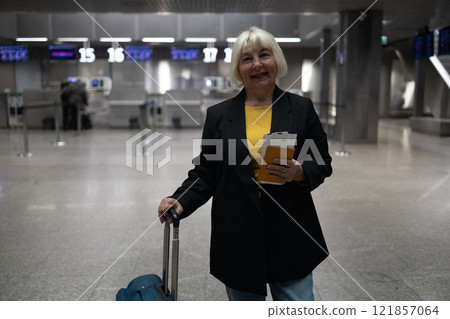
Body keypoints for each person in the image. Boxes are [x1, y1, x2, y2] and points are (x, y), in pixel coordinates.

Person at [158, 26, 332, 301]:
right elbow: (207, 171)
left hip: (290, 231)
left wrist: (299, 172)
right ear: (238, 70)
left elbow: (322, 162)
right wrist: (181, 200)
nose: (257, 64)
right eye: (247, 58)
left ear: (277, 61)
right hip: (238, 233)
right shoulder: (219, 115)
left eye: (264, 55)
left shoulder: (301, 109)